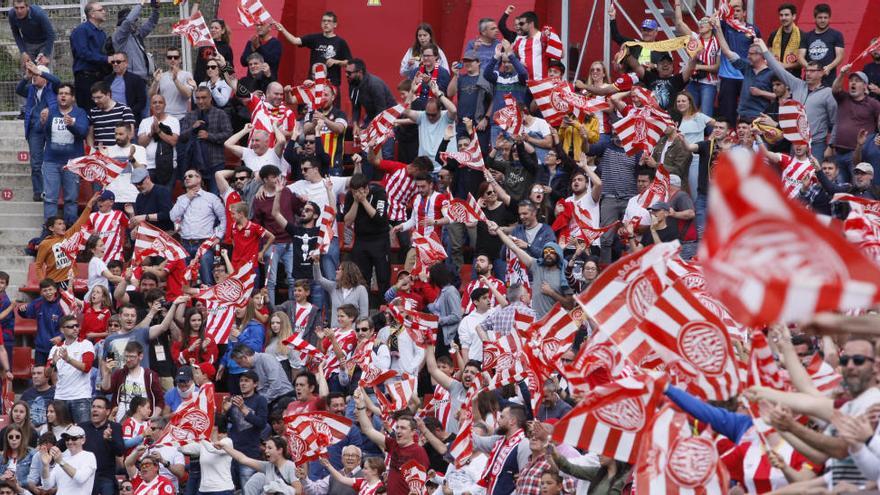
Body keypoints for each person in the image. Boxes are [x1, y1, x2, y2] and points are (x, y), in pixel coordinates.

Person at [757, 38, 838, 161]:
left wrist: (831, 145)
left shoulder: (828, 93)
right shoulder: (797, 84)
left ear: (821, 73)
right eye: (807, 71)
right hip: (795, 142)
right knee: (794, 176)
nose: (808, 74)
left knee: (813, 176)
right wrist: (764, 50)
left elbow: (835, 121)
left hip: (816, 144)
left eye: (812, 71)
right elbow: (778, 69)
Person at [353, 388, 430, 494]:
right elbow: (368, 430)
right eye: (397, 427)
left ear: (413, 432)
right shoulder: (393, 444)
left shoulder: (418, 451)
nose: (398, 431)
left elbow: (421, 482)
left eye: (403, 428)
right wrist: (360, 405)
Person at [493, 226, 572, 318]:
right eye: (545, 252)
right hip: (536, 323)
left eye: (551, 252)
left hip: (554, 323)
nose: (548, 254)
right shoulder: (536, 266)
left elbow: (569, 305)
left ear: (558, 254)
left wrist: (551, 293)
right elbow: (514, 248)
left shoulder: (565, 274)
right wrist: (498, 230)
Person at [169, 169, 227, 285]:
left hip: (204, 244)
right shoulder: (181, 199)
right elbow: (173, 217)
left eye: (190, 176)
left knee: (207, 280)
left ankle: (207, 302)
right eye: (185, 177)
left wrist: (219, 236)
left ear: (199, 178)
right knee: (184, 281)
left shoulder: (211, 198)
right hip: (185, 243)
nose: (187, 178)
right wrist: (187, 198)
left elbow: (224, 218)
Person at [41, 83, 88, 224]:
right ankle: (49, 230)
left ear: (72, 98)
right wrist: (43, 121)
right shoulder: (51, 112)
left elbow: (83, 133)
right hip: (51, 161)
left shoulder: (80, 113)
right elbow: (45, 134)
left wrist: (72, 125)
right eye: (60, 93)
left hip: (72, 163)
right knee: (50, 198)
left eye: (66, 93)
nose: (63, 96)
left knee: (71, 199)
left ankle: (69, 230)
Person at [713, 19, 773, 122]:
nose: (748, 56)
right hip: (742, 116)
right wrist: (718, 28)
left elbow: (780, 96)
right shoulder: (747, 67)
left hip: (760, 118)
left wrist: (761, 93)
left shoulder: (772, 73)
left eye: (751, 54)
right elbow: (727, 52)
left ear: (760, 55)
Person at [33, 193, 99, 286]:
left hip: (70, 280)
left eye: (63, 223)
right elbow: (38, 266)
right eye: (59, 224)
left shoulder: (68, 234)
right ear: (51, 228)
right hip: (54, 282)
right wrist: (43, 283)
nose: (63, 226)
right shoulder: (45, 243)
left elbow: (80, 222)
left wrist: (89, 205)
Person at [344, 173, 391, 297]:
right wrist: (355, 202)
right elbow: (348, 222)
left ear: (366, 188)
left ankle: (384, 309)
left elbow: (380, 219)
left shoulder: (379, 192)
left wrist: (364, 201)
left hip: (379, 239)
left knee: (383, 276)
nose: (356, 194)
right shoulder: (351, 196)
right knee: (362, 278)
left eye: (359, 191)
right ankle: (364, 309)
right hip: (361, 239)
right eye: (354, 192)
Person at [179, 87, 234, 194]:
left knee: (215, 195)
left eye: (204, 98)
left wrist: (209, 136)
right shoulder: (190, 115)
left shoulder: (220, 114)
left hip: (215, 161)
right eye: (198, 98)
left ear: (210, 98)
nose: (200, 101)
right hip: (195, 164)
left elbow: (228, 134)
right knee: (196, 196)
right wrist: (193, 127)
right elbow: (182, 137)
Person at [17, 62, 59, 202]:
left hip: (51, 128)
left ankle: (54, 190)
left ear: (44, 77)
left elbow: (57, 81)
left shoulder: (53, 88)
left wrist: (40, 71)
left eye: (37, 75)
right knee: (36, 163)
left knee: (53, 160)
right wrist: (27, 77)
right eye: (33, 75)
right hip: (35, 129)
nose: (34, 77)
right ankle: (38, 191)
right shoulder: (31, 89)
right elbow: (18, 89)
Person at [275, 12, 351, 87]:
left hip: (331, 84)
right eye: (324, 21)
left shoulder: (340, 42)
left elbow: (349, 63)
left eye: (329, 21)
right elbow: (295, 41)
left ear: (335, 24)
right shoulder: (315, 38)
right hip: (313, 82)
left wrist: (336, 61)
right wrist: (282, 29)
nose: (326, 23)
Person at [100, 340, 168, 423]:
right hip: (120, 422)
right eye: (126, 356)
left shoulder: (150, 375)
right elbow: (106, 390)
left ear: (140, 356)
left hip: (143, 423)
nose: (128, 360)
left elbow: (160, 400)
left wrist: (153, 417)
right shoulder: (120, 373)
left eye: (132, 356)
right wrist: (107, 373)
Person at [831, 66, 880, 181]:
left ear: (864, 86)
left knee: (858, 189)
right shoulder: (843, 98)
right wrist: (842, 74)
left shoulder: (873, 103)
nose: (853, 83)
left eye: (857, 81)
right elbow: (835, 89)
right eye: (851, 80)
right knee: (841, 189)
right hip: (839, 153)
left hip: (859, 154)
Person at [673, 0, 719, 116]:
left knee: (706, 114)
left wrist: (698, 66)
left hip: (709, 83)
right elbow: (679, 23)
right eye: (700, 21)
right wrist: (678, 4)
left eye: (705, 21)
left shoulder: (718, 42)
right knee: (687, 112)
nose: (701, 23)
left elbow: (717, 67)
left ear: (711, 26)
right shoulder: (695, 38)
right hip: (692, 81)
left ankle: (709, 135)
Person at [472, 405, 531, 495]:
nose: (498, 420)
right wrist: (464, 423)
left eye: (502, 417)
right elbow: (476, 441)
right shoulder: (499, 440)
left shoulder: (524, 444)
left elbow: (525, 482)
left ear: (512, 421)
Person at [46, 315, 95, 425]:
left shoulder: (86, 344)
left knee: (82, 433)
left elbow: (86, 368)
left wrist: (68, 359)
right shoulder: (55, 348)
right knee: (60, 433)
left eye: (77, 326)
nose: (75, 329)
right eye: (70, 326)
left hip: (81, 397)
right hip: (60, 397)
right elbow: (47, 374)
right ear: (62, 330)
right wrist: (52, 363)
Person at [217, 436, 298, 495]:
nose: (266, 451)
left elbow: (298, 490)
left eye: (270, 448)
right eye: (266, 448)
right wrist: (224, 447)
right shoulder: (267, 466)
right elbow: (243, 459)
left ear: (280, 450)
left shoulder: (290, 466)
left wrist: (280, 489)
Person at [70, 1, 111, 110]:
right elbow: (83, 53)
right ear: (92, 14)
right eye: (101, 10)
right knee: (88, 111)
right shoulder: (81, 30)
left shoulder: (101, 33)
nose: (104, 12)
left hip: (100, 77)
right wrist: (106, 59)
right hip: (86, 78)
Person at [136, 94, 179, 187]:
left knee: (165, 198)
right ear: (151, 106)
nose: (157, 105)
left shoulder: (173, 120)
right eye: (154, 103)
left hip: (168, 166)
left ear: (165, 105)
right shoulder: (145, 122)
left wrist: (158, 131)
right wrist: (151, 133)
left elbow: (173, 141)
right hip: (149, 167)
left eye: (160, 102)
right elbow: (141, 143)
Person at [798, 3, 845, 87]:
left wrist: (829, 67)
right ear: (815, 18)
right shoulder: (806, 36)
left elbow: (840, 56)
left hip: (828, 80)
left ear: (829, 18)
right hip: (810, 81)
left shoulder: (837, 35)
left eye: (825, 17)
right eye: (820, 17)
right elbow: (800, 56)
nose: (823, 20)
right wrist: (810, 69)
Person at [39, 425, 96, 494]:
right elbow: (47, 486)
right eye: (67, 439)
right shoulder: (62, 458)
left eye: (74, 438)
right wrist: (45, 466)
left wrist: (61, 462)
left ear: (83, 440)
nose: (70, 442)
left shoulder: (89, 456)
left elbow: (80, 478)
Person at [112, 1, 158, 82]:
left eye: (135, 20)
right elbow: (129, 21)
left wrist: (155, 9)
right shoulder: (119, 36)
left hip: (142, 79)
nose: (135, 23)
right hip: (129, 79)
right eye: (134, 20)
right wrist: (141, 4)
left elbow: (151, 23)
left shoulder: (136, 34)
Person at [7, 0, 55, 73]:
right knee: (27, 71)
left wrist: (46, 54)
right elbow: (16, 33)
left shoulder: (39, 14)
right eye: (16, 8)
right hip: (28, 43)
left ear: (28, 7)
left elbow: (51, 34)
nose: (19, 11)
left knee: (44, 72)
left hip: (44, 43)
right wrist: (23, 52)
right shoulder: (11, 15)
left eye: (22, 7)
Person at [149, 47, 195, 120]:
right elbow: (151, 95)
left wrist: (175, 80)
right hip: (164, 116)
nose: (173, 59)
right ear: (166, 60)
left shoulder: (186, 74)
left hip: (181, 117)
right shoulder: (162, 75)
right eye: (169, 57)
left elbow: (188, 94)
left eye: (176, 57)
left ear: (180, 59)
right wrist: (156, 81)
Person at [87, 82, 136, 149]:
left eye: (99, 97)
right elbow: (90, 136)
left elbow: (131, 134)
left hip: (119, 152)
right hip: (100, 154)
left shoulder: (124, 110)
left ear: (108, 94)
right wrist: (92, 152)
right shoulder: (93, 112)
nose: (96, 101)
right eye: (94, 98)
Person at [127, 167, 174, 232]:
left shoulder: (162, 191)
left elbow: (167, 214)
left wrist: (146, 217)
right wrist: (135, 229)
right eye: (135, 184)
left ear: (148, 178)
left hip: (163, 234)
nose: (138, 186)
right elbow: (138, 218)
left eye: (140, 183)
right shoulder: (139, 197)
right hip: (147, 235)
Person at [767, 3, 803, 78]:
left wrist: (784, 66)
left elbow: (802, 62)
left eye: (786, 15)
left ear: (794, 16)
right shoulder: (773, 35)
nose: (783, 18)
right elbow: (769, 57)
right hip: (775, 77)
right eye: (781, 15)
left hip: (793, 77)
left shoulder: (802, 35)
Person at [319, 455, 384, 495]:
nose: (362, 470)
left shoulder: (381, 489)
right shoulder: (362, 482)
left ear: (375, 471)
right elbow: (341, 478)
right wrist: (328, 465)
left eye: (366, 468)